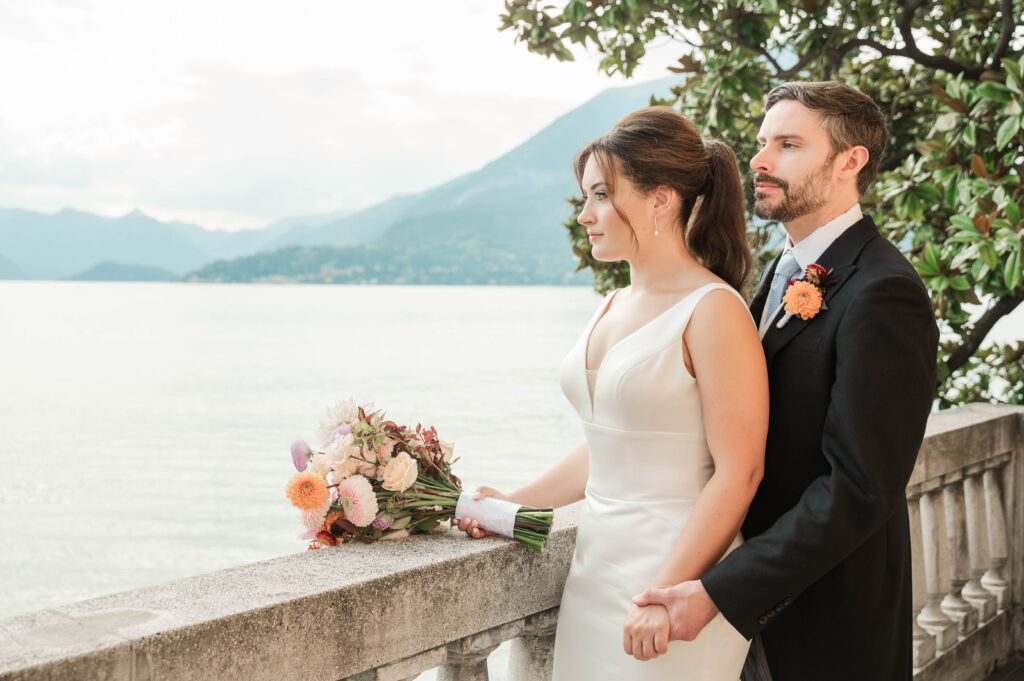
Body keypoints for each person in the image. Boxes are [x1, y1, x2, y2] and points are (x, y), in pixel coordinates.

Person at [633, 82, 939, 681]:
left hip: (829, 620)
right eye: (761, 142)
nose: (760, 160)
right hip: (752, 611)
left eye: (789, 144)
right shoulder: (782, 270)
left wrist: (722, 589)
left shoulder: (884, 291)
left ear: (850, 162)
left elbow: (857, 487)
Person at [457, 106, 768, 679]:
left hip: (675, 579)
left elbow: (740, 472)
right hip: (595, 573)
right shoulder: (612, 303)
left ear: (660, 199)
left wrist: (665, 591)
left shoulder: (715, 310)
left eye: (601, 195)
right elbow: (608, 446)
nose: (585, 215)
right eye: (585, 198)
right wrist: (510, 502)